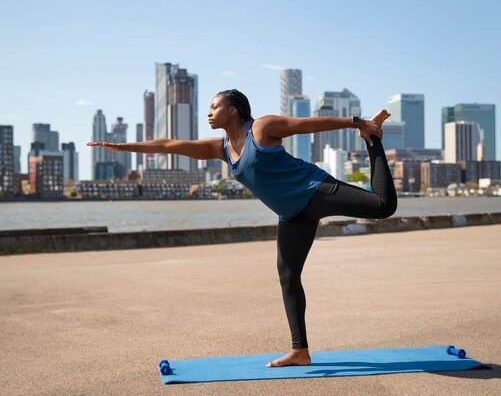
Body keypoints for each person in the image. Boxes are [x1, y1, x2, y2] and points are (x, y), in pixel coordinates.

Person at [87, 89, 397, 368]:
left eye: (214, 106)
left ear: (233, 109)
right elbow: (170, 145)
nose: (208, 112)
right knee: (288, 277)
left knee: (384, 207)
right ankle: (300, 351)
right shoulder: (221, 148)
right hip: (291, 215)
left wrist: (358, 123)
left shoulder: (261, 128)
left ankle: (374, 140)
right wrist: (121, 146)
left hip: (316, 191)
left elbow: (308, 124)